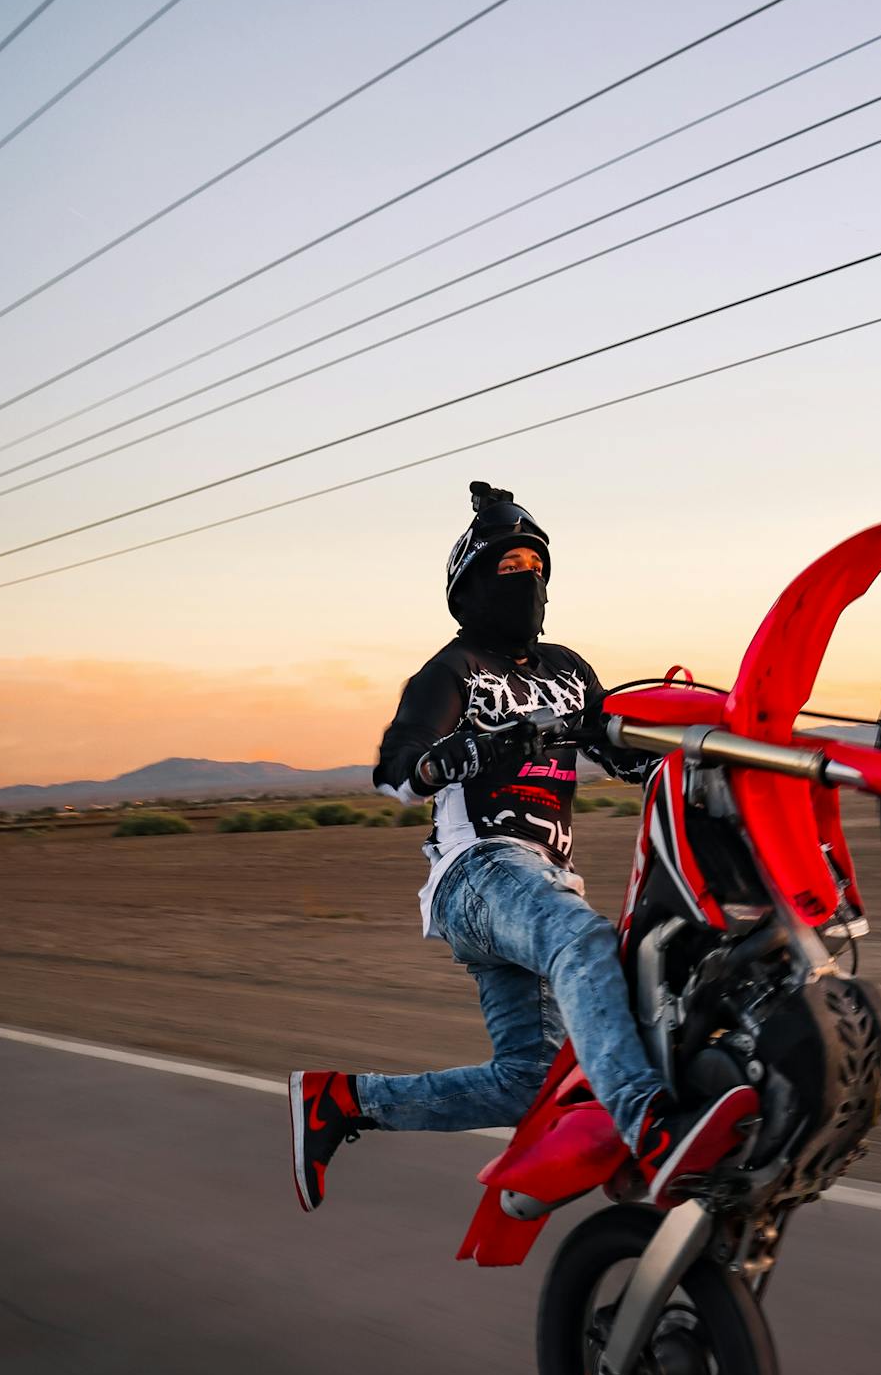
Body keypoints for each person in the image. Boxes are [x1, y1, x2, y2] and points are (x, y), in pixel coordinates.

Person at [288, 483, 755, 1212]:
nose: (527, 579)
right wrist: (452, 757)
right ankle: (650, 1128)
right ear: (467, 587)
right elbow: (394, 771)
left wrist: (696, 749)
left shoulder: (568, 669)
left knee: (530, 1081)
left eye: (536, 566)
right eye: (508, 568)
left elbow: (624, 752)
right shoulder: (451, 670)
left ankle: (341, 1101)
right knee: (583, 941)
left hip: (543, 884)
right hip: (477, 875)